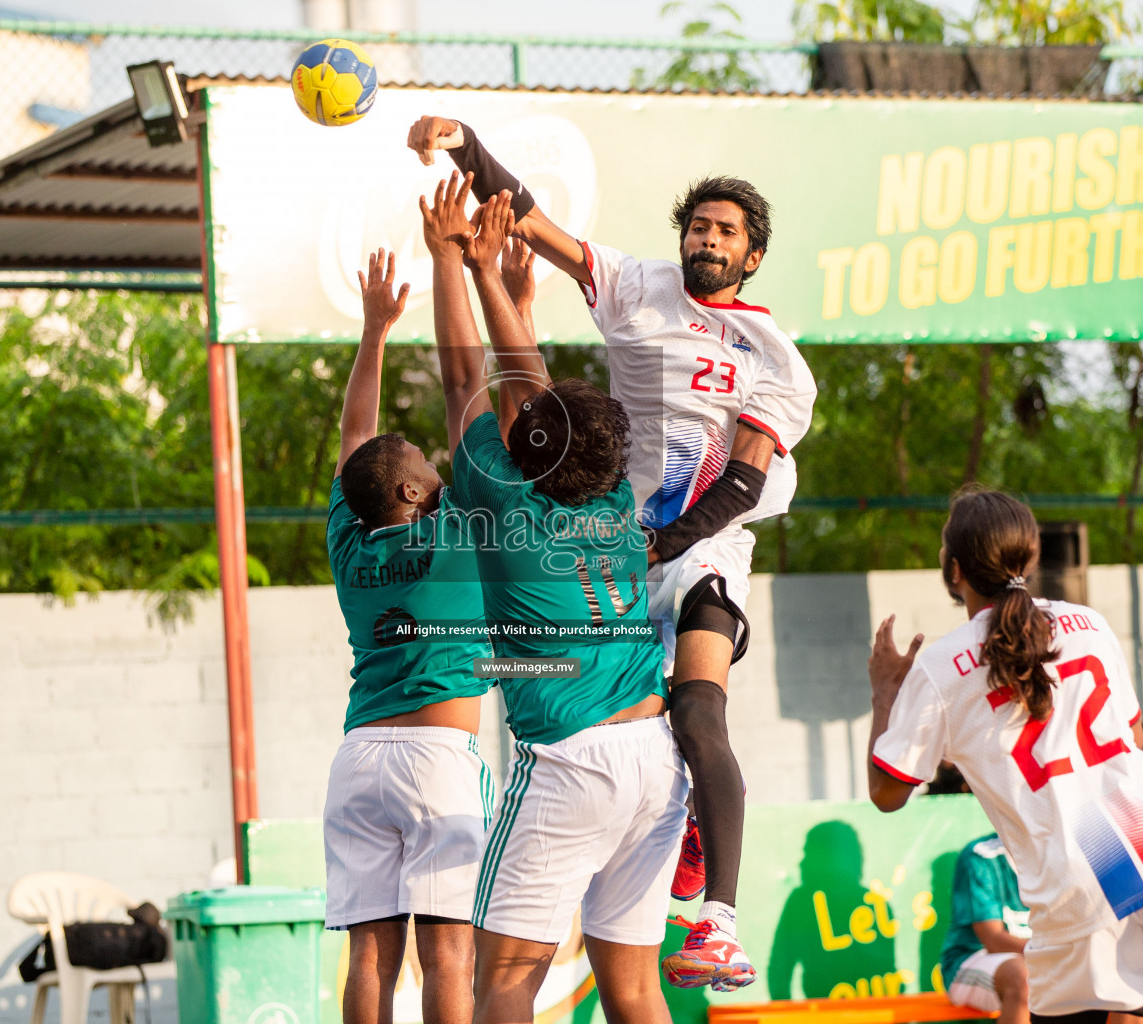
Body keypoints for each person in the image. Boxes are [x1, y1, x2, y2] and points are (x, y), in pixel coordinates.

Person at [405, 114, 818, 991]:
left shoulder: (775, 357)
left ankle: (720, 923)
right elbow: (526, 218)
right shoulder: (635, 284)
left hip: (696, 544)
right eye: (698, 226)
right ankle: (674, 851)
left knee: (699, 716)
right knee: (634, 723)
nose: (708, 239)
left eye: (727, 232)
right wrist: (468, 147)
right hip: (603, 532)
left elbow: (741, 487)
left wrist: (661, 542)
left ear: (752, 257)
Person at [423, 173, 688, 1024]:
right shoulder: (613, 499)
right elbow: (525, 397)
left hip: (572, 761)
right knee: (635, 986)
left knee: (503, 980)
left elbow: (475, 373)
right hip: (657, 751)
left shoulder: (503, 497)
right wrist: (505, 290)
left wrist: (458, 263)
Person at [868, 487, 1143, 1024]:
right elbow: (1133, 736)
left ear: (955, 570)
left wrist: (884, 692)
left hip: (1072, 870)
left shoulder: (939, 668)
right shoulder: (1089, 624)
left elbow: (888, 793)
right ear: (1031, 557)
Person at [323, 245, 496, 1024]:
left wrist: (374, 331)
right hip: (437, 763)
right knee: (450, 955)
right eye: (427, 465)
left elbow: (355, 434)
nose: (438, 468)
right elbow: (468, 400)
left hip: (358, 761)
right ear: (408, 489)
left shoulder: (349, 541)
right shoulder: (453, 535)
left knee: (370, 956)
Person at [941, 833, 1032, 1024]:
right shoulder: (980, 855)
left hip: (1039, 958)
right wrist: (1054, 953)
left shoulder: (1066, 851)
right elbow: (993, 940)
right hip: (971, 959)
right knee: (1022, 977)